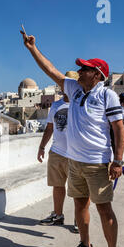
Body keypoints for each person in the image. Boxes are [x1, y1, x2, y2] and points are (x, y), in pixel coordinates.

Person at [21, 30, 124, 247]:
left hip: (97, 163)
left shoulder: (106, 95)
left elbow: (119, 128)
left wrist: (118, 161)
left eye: (85, 69)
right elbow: (51, 70)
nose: (79, 71)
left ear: (98, 75)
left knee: (104, 209)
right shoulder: (74, 89)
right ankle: (85, 245)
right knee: (79, 205)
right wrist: (32, 48)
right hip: (74, 162)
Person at [38, 71, 86, 233]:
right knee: (57, 186)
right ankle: (58, 215)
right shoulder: (56, 105)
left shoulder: (81, 104)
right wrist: (42, 146)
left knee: (78, 190)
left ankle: (78, 220)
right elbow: (50, 127)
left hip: (76, 154)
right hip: (57, 152)